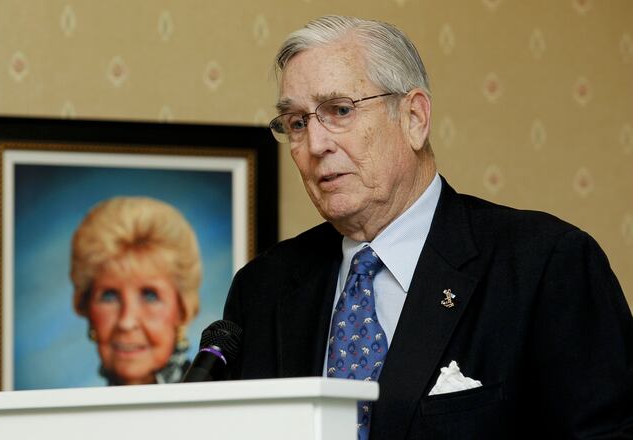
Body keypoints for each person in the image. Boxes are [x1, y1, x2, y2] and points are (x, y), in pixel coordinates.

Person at [223, 15, 633, 439]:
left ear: (414, 118)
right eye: (297, 123)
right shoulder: (262, 288)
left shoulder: (545, 265)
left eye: (340, 111)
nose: (315, 144)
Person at [70, 196, 201, 385]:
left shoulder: (217, 401)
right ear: (86, 306)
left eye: (150, 295)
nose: (126, 322)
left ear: (182, 308)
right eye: (109, 296)